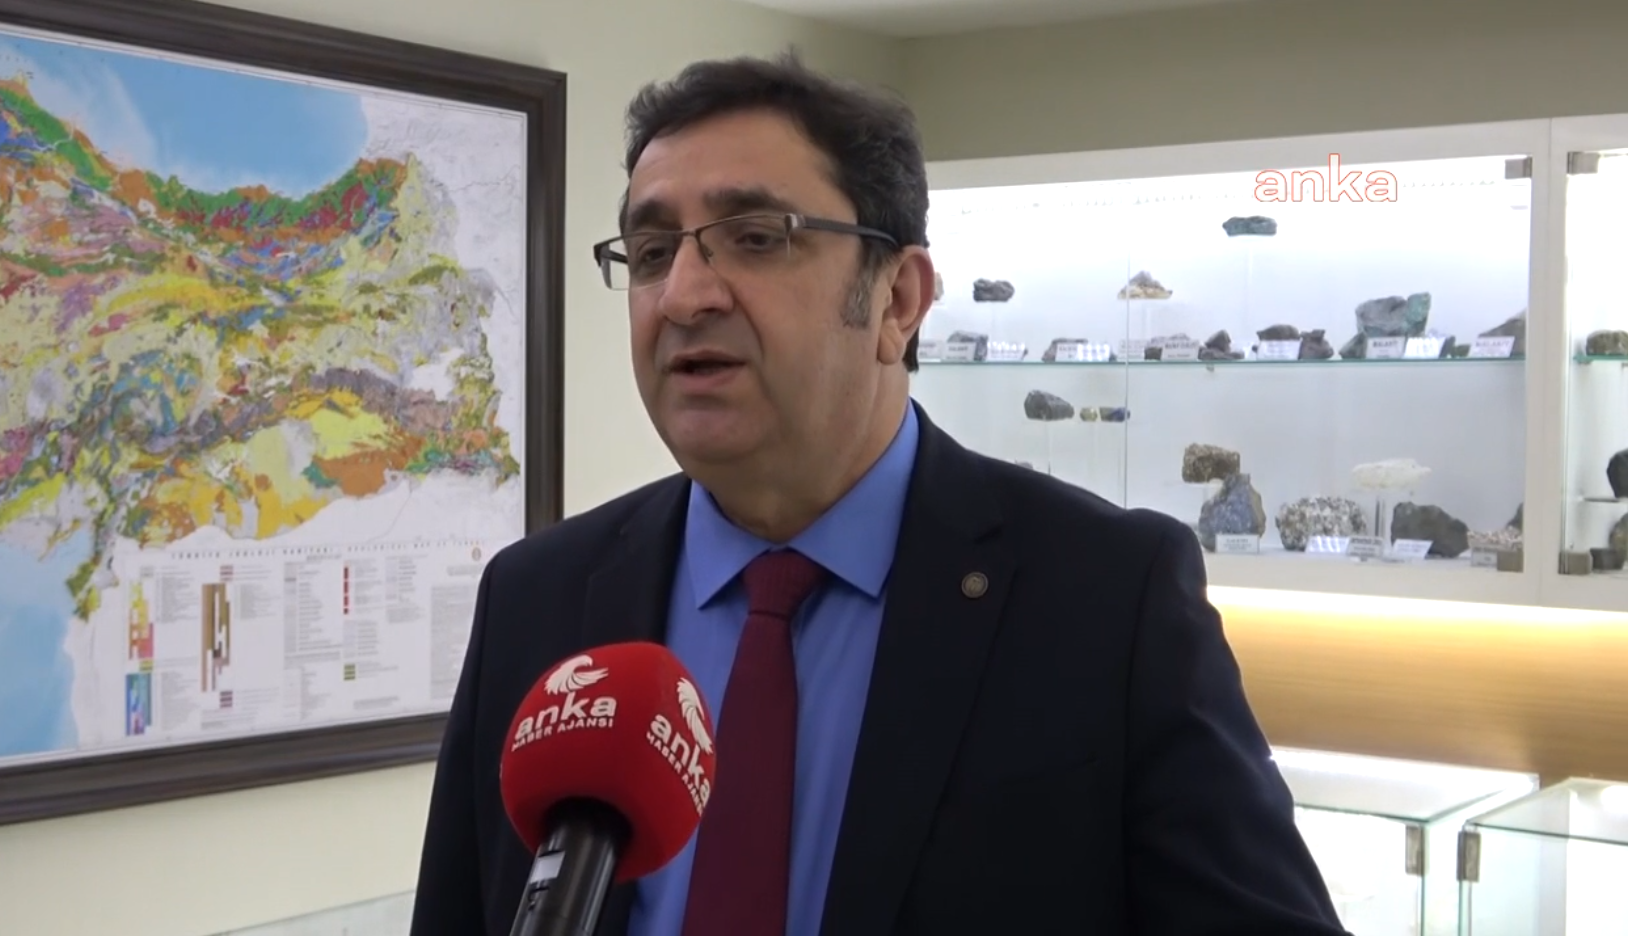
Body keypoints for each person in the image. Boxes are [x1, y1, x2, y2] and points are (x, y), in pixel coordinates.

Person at [410, 51, 1349, 936]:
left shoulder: (1107, 599)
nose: (684, 295)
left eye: (754, 238)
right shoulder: (538, 600)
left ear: (898, 301)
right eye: (652, 252)